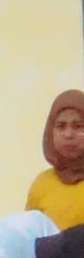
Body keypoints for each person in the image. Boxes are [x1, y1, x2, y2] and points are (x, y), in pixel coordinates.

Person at [27, 91, 84, 232]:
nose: (68, 134)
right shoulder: (42, 184)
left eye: (78, 126)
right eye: (61, 126)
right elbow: (29, 237)